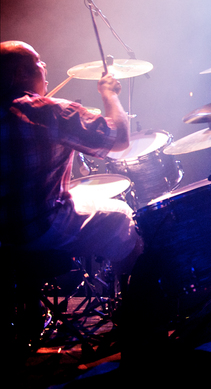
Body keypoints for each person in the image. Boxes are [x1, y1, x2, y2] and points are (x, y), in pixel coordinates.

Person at [1, 41, 141, 273]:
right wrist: (109, 94)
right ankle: (135, 306)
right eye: (37, 61)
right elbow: (119, 139)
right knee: (123, 216)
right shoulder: (49, 112)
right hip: (37, 229)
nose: (44, 65)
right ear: (20, 73)